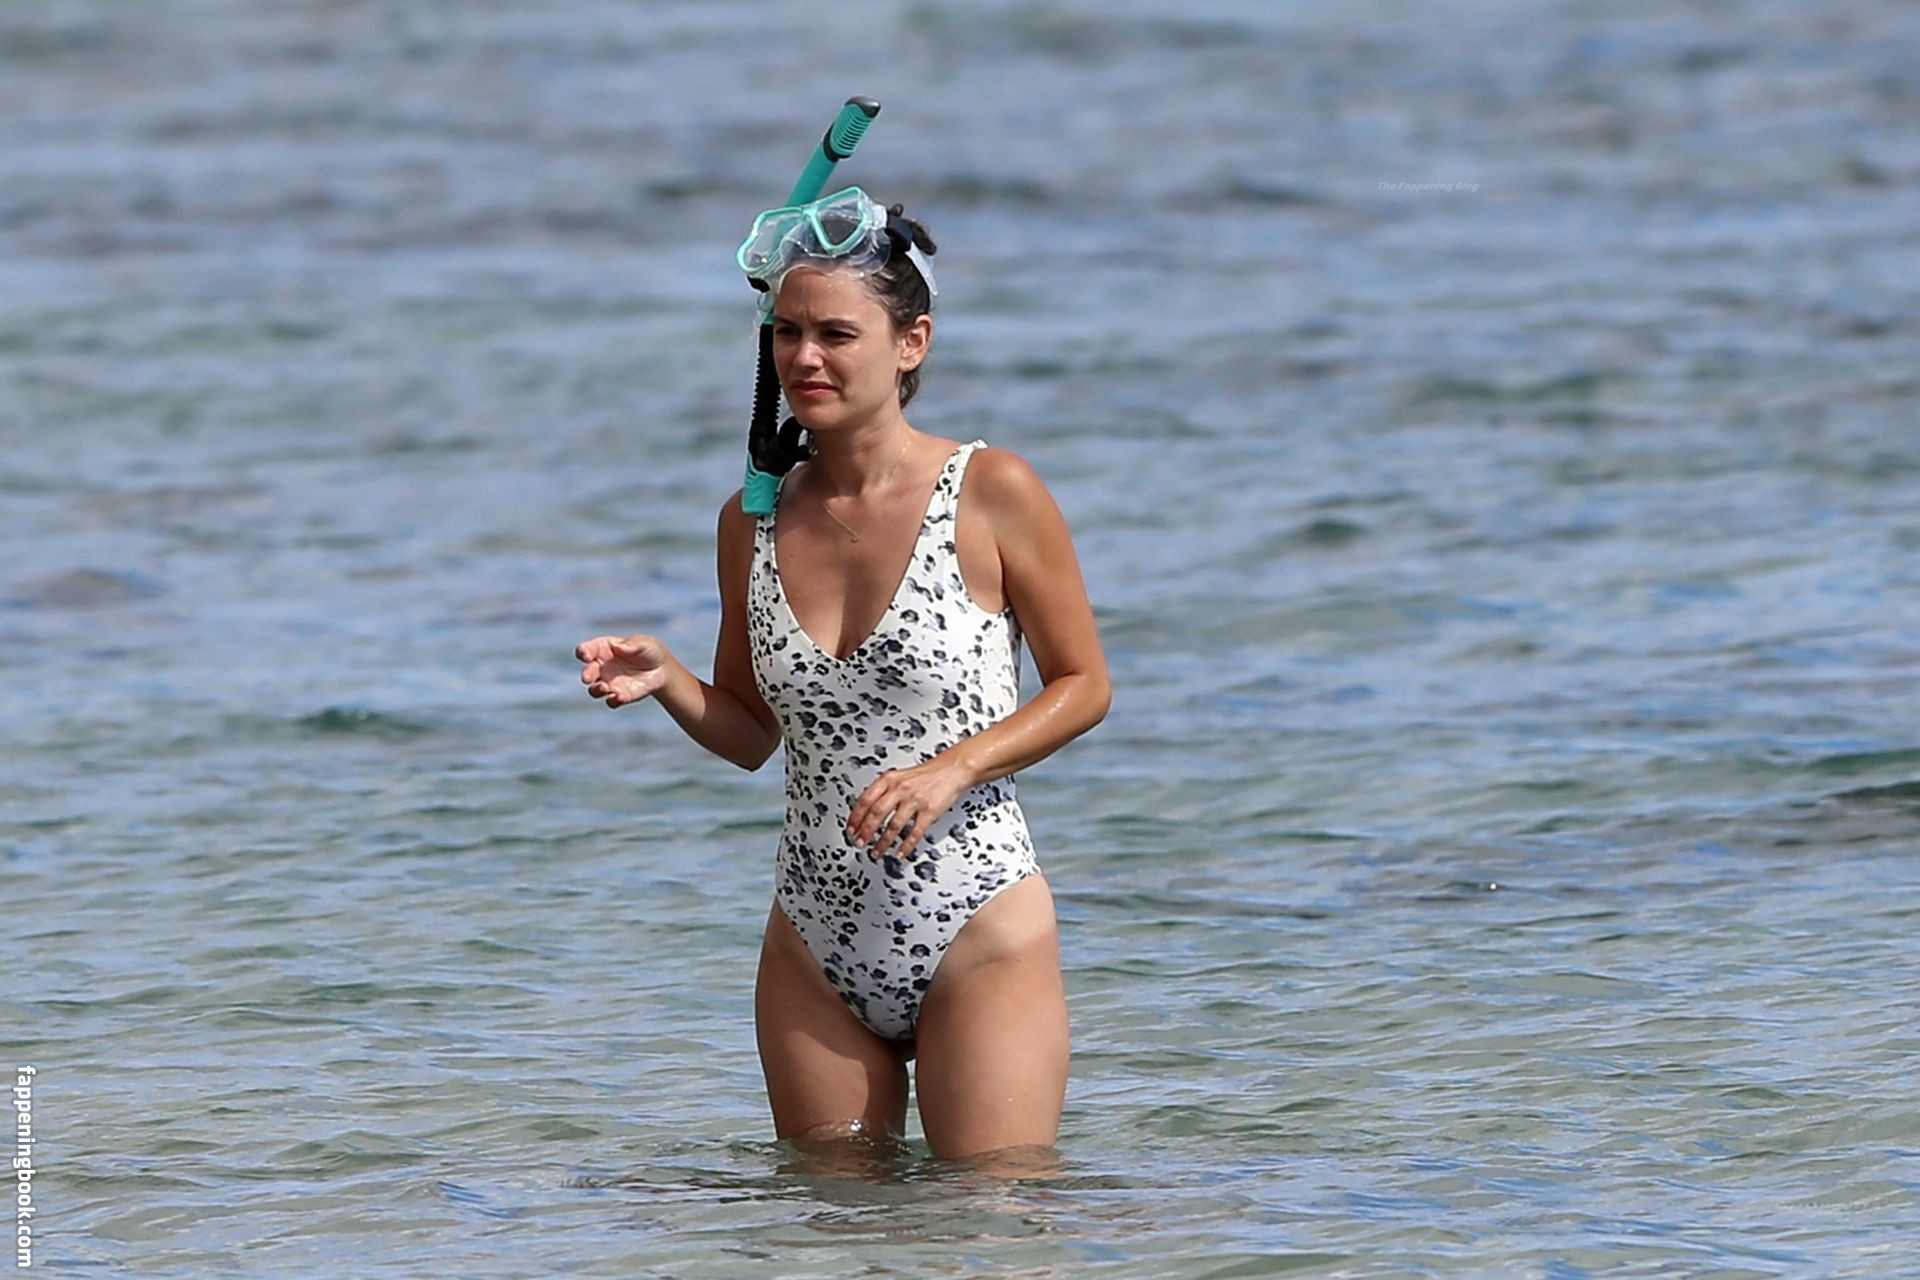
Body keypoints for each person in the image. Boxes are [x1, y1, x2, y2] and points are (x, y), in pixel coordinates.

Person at [574, 189, 1109, 1167]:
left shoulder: (992, 490)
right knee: (824, 1224)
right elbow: (750, 734)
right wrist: (670, 679)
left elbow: (1083, 684)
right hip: (814, 944)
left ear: (911, 343)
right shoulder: (752, 520)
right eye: (787, 332)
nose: (805, 357)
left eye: (835, 334)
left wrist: (952, 768)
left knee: (990, 1214)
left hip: (979, 925)